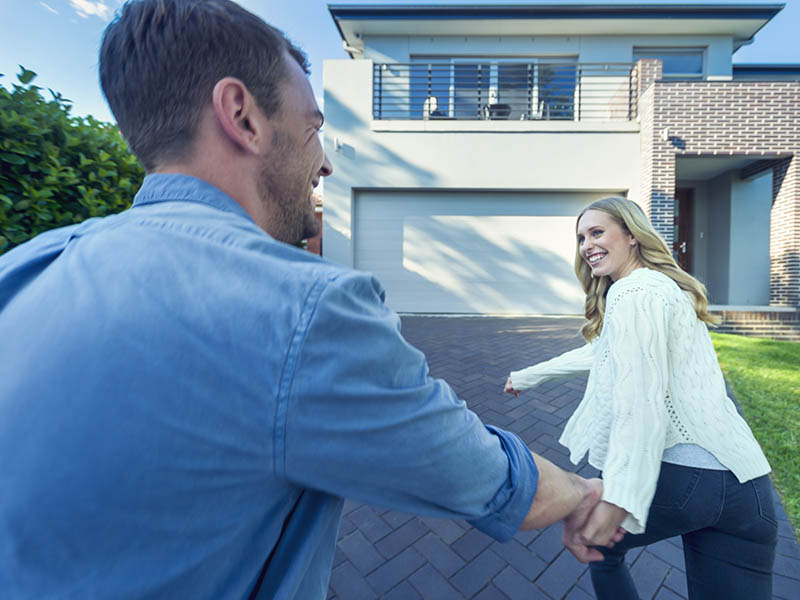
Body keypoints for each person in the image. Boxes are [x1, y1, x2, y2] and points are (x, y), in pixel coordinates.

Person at [0, 1, 611, 598]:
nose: (323, 165)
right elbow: (486, 479)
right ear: (241, 115)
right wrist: (581, 494)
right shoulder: (303, 309)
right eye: (314, 128)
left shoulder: (23, 270)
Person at [505, 196, 777, 599]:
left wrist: (621, 497)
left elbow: (640, 401)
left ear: (632, 235)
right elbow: (602, 351)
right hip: (747, 487)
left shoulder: (632, 293)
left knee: (597, 546)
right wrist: (528, 375)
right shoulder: (665, 288)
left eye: (597, 232)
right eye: (581, 237)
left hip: (689, 478)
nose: (586, 245)